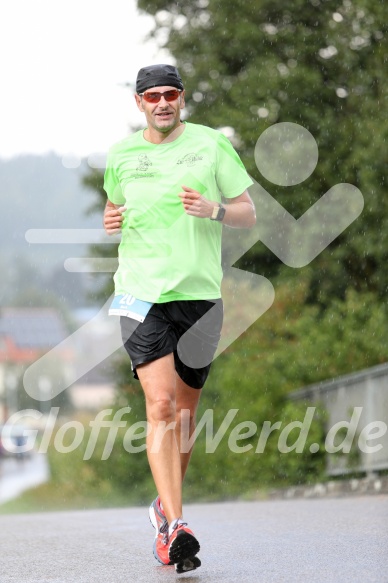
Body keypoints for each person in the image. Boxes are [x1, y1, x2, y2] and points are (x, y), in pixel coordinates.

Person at [103, 63, 255, 573]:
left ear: (182, 98)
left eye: (170, 94)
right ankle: (174, 526)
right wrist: (110, 219)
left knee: (185, 417)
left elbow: (247, 212)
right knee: (162, 405)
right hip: (140, 295)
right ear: (139, 103)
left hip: (199, 296)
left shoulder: (212, 145)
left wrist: (214, 210)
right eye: (152, 96)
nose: (162, 102)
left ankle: (165, 511)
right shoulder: (122, 155)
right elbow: (114, 208)